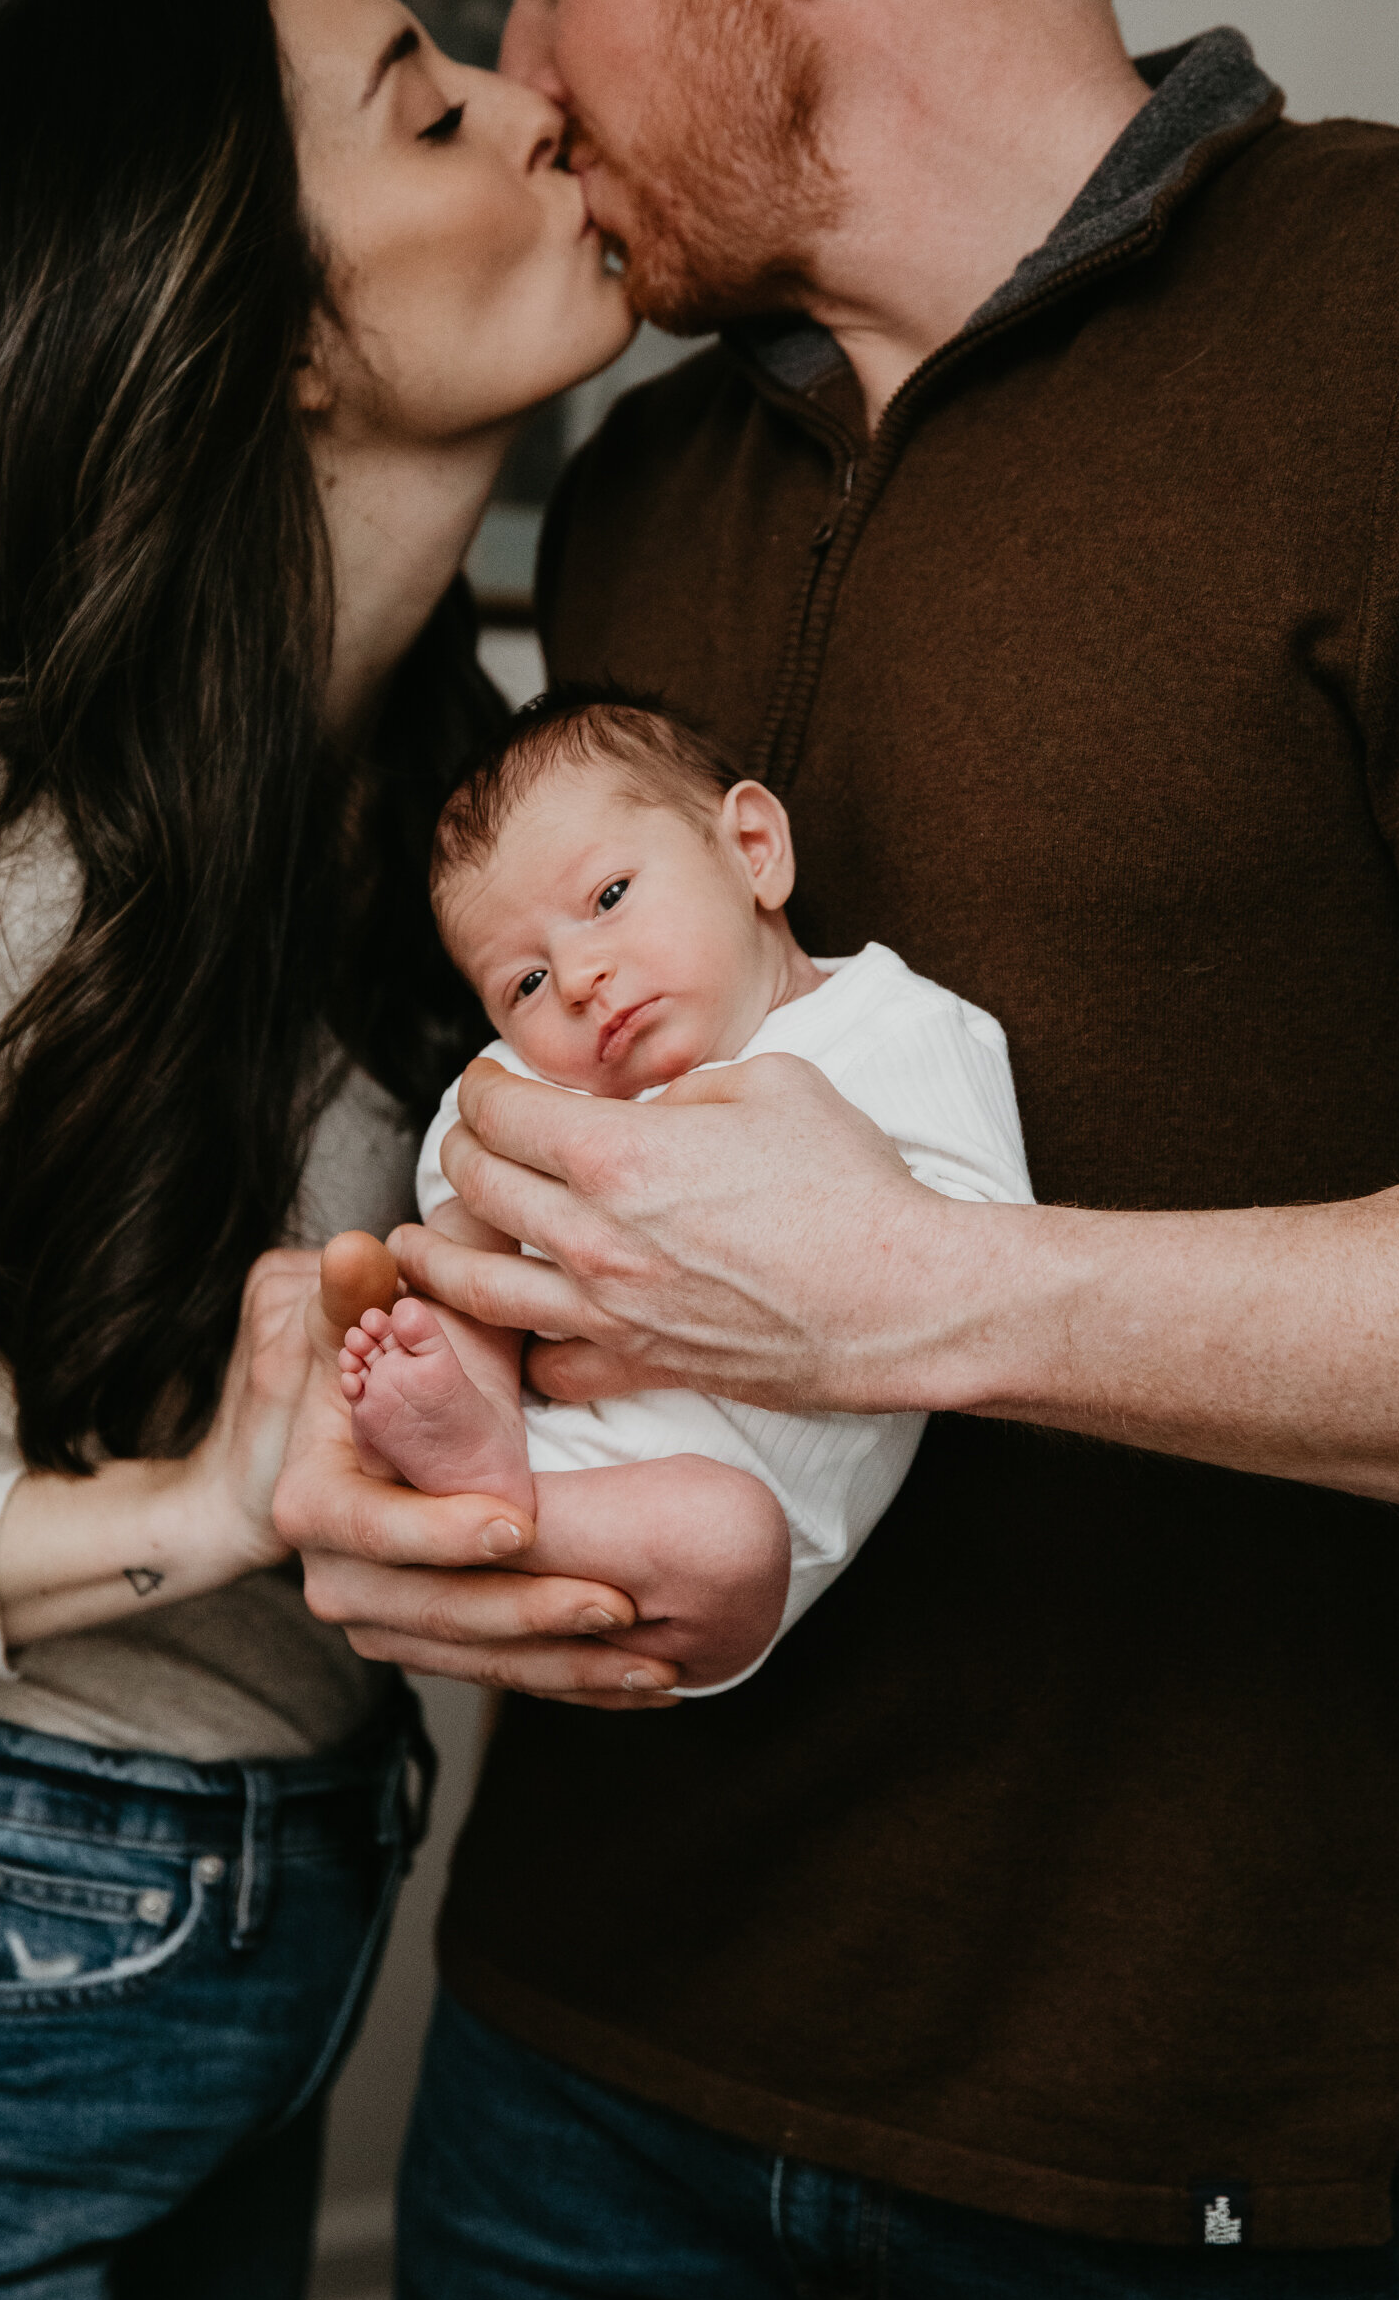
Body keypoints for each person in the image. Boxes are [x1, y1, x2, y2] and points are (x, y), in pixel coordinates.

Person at [268, 0, 1399, 2300]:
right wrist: (376, 1368)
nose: (524, 65)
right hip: (582, 2088)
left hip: (1215, 2202)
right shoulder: (633, 494)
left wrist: (936, 1295)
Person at [0, 0, 640, 2300]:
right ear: (285, 331)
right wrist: (188, 1518)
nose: (537, 108)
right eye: (430, 106)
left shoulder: (435, 823)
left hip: (270, 1929)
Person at [337, 689, 1031, 1691]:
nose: (576, 976)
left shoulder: (898, 1030)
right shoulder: (557, 1081)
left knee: (721, 1531)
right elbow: (464, 1137)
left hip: (724, 1544)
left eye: (609, 896)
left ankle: (484, 1495)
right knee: (466, 1232)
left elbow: (985, 1266)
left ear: (751, 847)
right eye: (522, 984)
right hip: (550, 1447)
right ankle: (468, 1434)